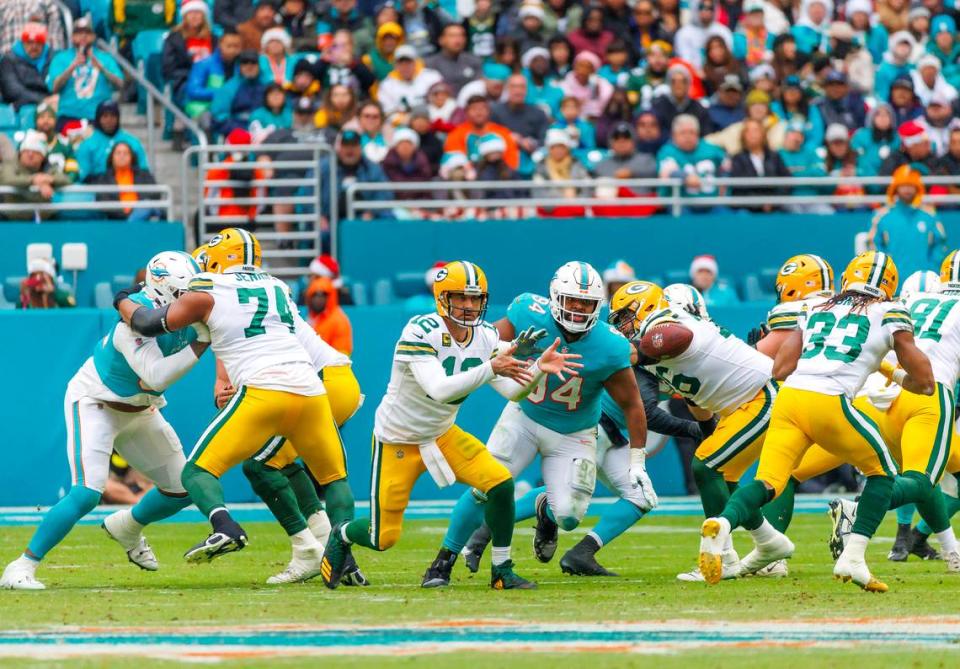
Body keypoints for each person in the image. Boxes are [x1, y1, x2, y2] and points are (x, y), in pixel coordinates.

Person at [324, 262, 580, 590]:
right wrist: (492, 366)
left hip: (442, 433)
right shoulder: (420, 330)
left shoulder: (486, 335)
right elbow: (439, 388)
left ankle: (501, 569)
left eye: (476, 299)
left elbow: (513, 391)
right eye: (461, 298)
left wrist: (539, 369)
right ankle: (341, 534)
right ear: (442, 298)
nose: (470, 306)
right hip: (397, 440)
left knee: (501, 484)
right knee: (382, 537)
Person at [115, 230, 358, 566]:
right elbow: (238, 328)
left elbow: (148, 322)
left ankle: (240, 530)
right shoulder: (278, 287)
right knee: (328, 477)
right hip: (317, 385)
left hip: (275, 388)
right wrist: (222, 376)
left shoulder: (209, 290)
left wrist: (121, 298)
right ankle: (336, 553)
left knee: (208, 471)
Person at [698, 252, 933, 593]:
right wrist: (896, 370)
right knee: (883, 475)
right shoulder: (889, 311)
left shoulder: (814, 307)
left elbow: (780, 369)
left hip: (790, 399)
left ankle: (721, 523)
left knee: (769, 482)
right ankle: (853, 557)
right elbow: (925, 380)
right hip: (831, 401)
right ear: (889, 286)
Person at [425, 261, 650, 586]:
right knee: (484, 488)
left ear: (597, 306)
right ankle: (441, 562)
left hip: (575, 432)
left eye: (585, 303)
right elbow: (485, 345)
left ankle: (545, 508)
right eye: (571, 300)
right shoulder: (528, 312)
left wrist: (637, 460)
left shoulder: (610, 344)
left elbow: (632, 404)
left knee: (569, 516)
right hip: (524, 417)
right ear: (555, 297)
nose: (576, 309)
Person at [0, 253, 206, 590]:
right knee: (86, 493)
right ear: (163, 291)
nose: (191, 301)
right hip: (97, 402)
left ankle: (127, 525)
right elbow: (154, 376)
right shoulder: (134, 321)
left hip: (140, 409)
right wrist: (202, 340)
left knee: (183, 488)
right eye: (184, 294)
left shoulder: (186, 307)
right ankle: (20, 567)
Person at [868, 166, 947, 278]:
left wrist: (932, 269)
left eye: (911, 185)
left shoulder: (930, 215)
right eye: (903, 185)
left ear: (917, 188)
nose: (907, 189)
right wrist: (885, 273)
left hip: (923, 285)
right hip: (892, 285)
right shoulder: (881, 216)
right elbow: (874, 245)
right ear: (895, 188)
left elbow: (940, 244)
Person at [46, 16, 124, 124]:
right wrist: (72, 67)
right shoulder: (60, 58)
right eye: (78, 33)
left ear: (94, 36)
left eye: (87, 32)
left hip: (99, 118)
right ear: (72, 37)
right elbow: (54, 88)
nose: (83, 36)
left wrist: (102, 69)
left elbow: (120, 85)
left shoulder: (105, 58)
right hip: (69, 116)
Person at [319, 129, 393, 228]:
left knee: (388, 218)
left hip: (363, 220)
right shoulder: (324, 167)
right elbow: (308, 194)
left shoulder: (372, 168)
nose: (350, 150)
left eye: (353, 146)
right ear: (339, 148)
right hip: (330, 220)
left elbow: (385, 194)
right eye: (346, 146)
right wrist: (319, 217)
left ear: (360, 148)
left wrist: (372, 212)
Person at [0, 130, 70, 220]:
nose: (30, 155)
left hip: (44, 218)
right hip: (12, 217)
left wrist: (49, 179)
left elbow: (66, 179)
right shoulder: (10, 164)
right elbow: (7, 179)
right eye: (26, 151)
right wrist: (33, 180)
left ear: (43, 156)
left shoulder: (47, 167)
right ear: (20, 153)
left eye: (36, 152)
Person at [656, 114, 725, 203]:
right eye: (683, 132)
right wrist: (685, 177)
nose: (688, 136)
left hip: (713, 205)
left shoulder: (711, 149)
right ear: (674, 135)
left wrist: (723, 182)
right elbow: (667, 171)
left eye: (692, 132)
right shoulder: (668, 151)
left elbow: (727, 165)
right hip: (681, 206)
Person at [74, 100, 148, 182]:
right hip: (97, 190)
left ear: (118, 118)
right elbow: (84, 176)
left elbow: (144, 171)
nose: (109, 120)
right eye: (105, 116)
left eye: (113, 116)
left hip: (128, 187)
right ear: (98, 119)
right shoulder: (87, 145)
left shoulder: (132, 142)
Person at [729, 118, 792, 212]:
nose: (752, 135)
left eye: (756, 130)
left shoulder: (774, 156)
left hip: (774, 206)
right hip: (747, 208)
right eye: (748, 131)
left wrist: (773, 201)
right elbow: (739, 188)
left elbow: (786, 181)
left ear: (763, 133)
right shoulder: (737, 158)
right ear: (743, 135)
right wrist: (760, 203)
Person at [490, 74, 548, 174]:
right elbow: (489, 138)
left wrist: (531, 143)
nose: (518, 91)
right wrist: (508, 138)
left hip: (532, 165)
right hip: (501, 166)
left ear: (526, 90)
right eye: (513, 87)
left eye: (521, 87)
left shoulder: (538, 113)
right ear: (507, 89)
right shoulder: (495, 112)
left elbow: (544, 141)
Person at [162, 0, 215, 107]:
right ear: (184, 16)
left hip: (210, 80)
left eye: (198, 13)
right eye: (191, 13)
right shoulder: (174, 39)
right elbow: (168, 68)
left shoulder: (213, 39)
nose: (194, 16)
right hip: (185, 82)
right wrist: (193, 75)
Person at [90, 142, 161, 221]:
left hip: (143, 215)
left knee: (148, 206)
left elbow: (155, 193)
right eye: (118, 153)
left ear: (132, 157)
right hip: (116, 219)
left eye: (126, 153)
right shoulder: (104, 179)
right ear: (112, 157)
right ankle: (130, 222)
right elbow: (102, 200)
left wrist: (136, 208)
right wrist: (123, 214)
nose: (122, 156)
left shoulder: (144, 175)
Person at [445, 95, 520, 170]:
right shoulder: (456, 134)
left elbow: (511, 162)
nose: (478, 112)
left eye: (482, 108)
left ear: (489, 111)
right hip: (467, 178)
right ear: (466, 112)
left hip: (497, 177)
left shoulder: (502, 133)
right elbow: (455, 162)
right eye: (474, 109)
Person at [184, 29, 242, 122]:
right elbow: (193, 90)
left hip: (231, 108)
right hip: (205, 108)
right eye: (229, 46)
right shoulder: (204, 64)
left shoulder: (242, 66)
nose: (232, 50)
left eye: (236, 46)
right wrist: (222, 93)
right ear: (220, 44)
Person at [377, 44, 442, 124]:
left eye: (408, 62)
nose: (405, 66)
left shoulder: (432, 77)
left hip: (432, 121)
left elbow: (443, 102)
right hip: (403, 126)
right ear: (395, 65)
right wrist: (411, 121)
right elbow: (388, 113)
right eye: (401, 63)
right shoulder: (386, 85)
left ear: (416, 62)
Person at [533, 128, 591, 216]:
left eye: (561, 147)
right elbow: (538, 194)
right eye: (554, 147)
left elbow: (587, 189)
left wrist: (576, 200)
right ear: (549, 149)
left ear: (567, 149)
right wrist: (562, 197)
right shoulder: (541, 167)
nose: (558, 151)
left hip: (576, 207)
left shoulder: (577, 165)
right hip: (551, 209)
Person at [210, 49, 266, 136]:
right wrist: (243, 130)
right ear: (239, 66)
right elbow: (219, 117)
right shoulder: (229, 88)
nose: (249, 66)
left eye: (253, 62)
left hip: (264, 132)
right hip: (237, 134)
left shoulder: (268, 87)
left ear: (259, 66)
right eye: (245, 62)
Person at [0, 22, 52, 109]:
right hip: (21, 107)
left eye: (38, 42)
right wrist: (43, 100)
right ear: (22, 42)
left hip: (51, 105)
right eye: (30, 42)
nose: (34, 46)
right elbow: (13, 91)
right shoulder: (9, 59)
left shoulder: (53, 57)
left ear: (44, 44)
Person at [652, 65, 712, 137]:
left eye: (683, 81)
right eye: (674, 81)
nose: (678, 85)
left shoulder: (699, 108)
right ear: (669, 84)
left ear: (689, 84)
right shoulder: (658, 106)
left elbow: (706, 134)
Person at [424, 23, 481, 95]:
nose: (458, 40)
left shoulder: (474, 61)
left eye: (461, 35)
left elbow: (478, 88)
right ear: (441, 40)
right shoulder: (430, 64)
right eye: (452, 36)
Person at [674, 0, 733, 70]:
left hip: (719, 74)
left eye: (710, 8)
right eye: (702, 7)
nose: (706, 11)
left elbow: (727, 59)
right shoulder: (683, 33)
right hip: (693, 76)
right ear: (694, 8)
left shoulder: (723, 31)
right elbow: (685, 61)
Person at [304, 276, 352, 355]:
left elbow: (342, 357)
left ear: (330, 297)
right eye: (314, 295)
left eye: (323, 295)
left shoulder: (339, 321)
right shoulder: (311, 319)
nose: (318, 299)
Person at [559, 50, 613, 120]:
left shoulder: (602, 84)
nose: (582, 71)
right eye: (580, 66)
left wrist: (598, 93)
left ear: (594, 71)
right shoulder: (565, 83)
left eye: (588, 67)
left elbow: (602, 106)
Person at [381, 126, 432, 195]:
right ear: (396, 146)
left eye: (408, 143)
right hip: (394, 202)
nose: (405, 147)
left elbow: (426, 186)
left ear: (414, 146)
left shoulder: (422, 162)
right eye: (401, 143)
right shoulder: (388, 163)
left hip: (419, 202)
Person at [0, 0, 65, 54]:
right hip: (7, 60)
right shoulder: (3, 6)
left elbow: (55, 42)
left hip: (39, 62)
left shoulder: (47, 4)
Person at [33, 103, 78, 181]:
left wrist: (63, 181)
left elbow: (72, 171)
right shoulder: (28, 142)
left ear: (55, 120)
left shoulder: (65, 143)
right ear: (35, 120)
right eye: (42, 117)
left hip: (61, 187)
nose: (46, 121)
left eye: (50, 117)